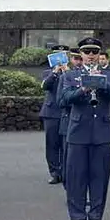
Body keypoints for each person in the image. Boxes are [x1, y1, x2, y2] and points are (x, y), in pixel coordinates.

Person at [60, 37, 110, 220]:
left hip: (102, 132)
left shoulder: (109, 75)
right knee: (76, 176)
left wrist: (104, 85)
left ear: (99, 55)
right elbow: (63, 100)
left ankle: (96, 215)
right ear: (80, 55)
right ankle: (78, 215)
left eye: (94, 52)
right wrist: (83, 89)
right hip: (78, 131)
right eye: (86, 52)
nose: (90, 56)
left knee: (100, 176)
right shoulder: (70, 75)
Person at [40, 44, 71, 184]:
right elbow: (45, 86)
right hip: (51, 112)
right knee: (51, 144)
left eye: (63, 55)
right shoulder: (48, 72)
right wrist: (55, 72)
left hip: (66, 112)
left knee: (66, 144)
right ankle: (54, 172)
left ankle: (66, 171)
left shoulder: (71, 72)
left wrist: (66, 72)